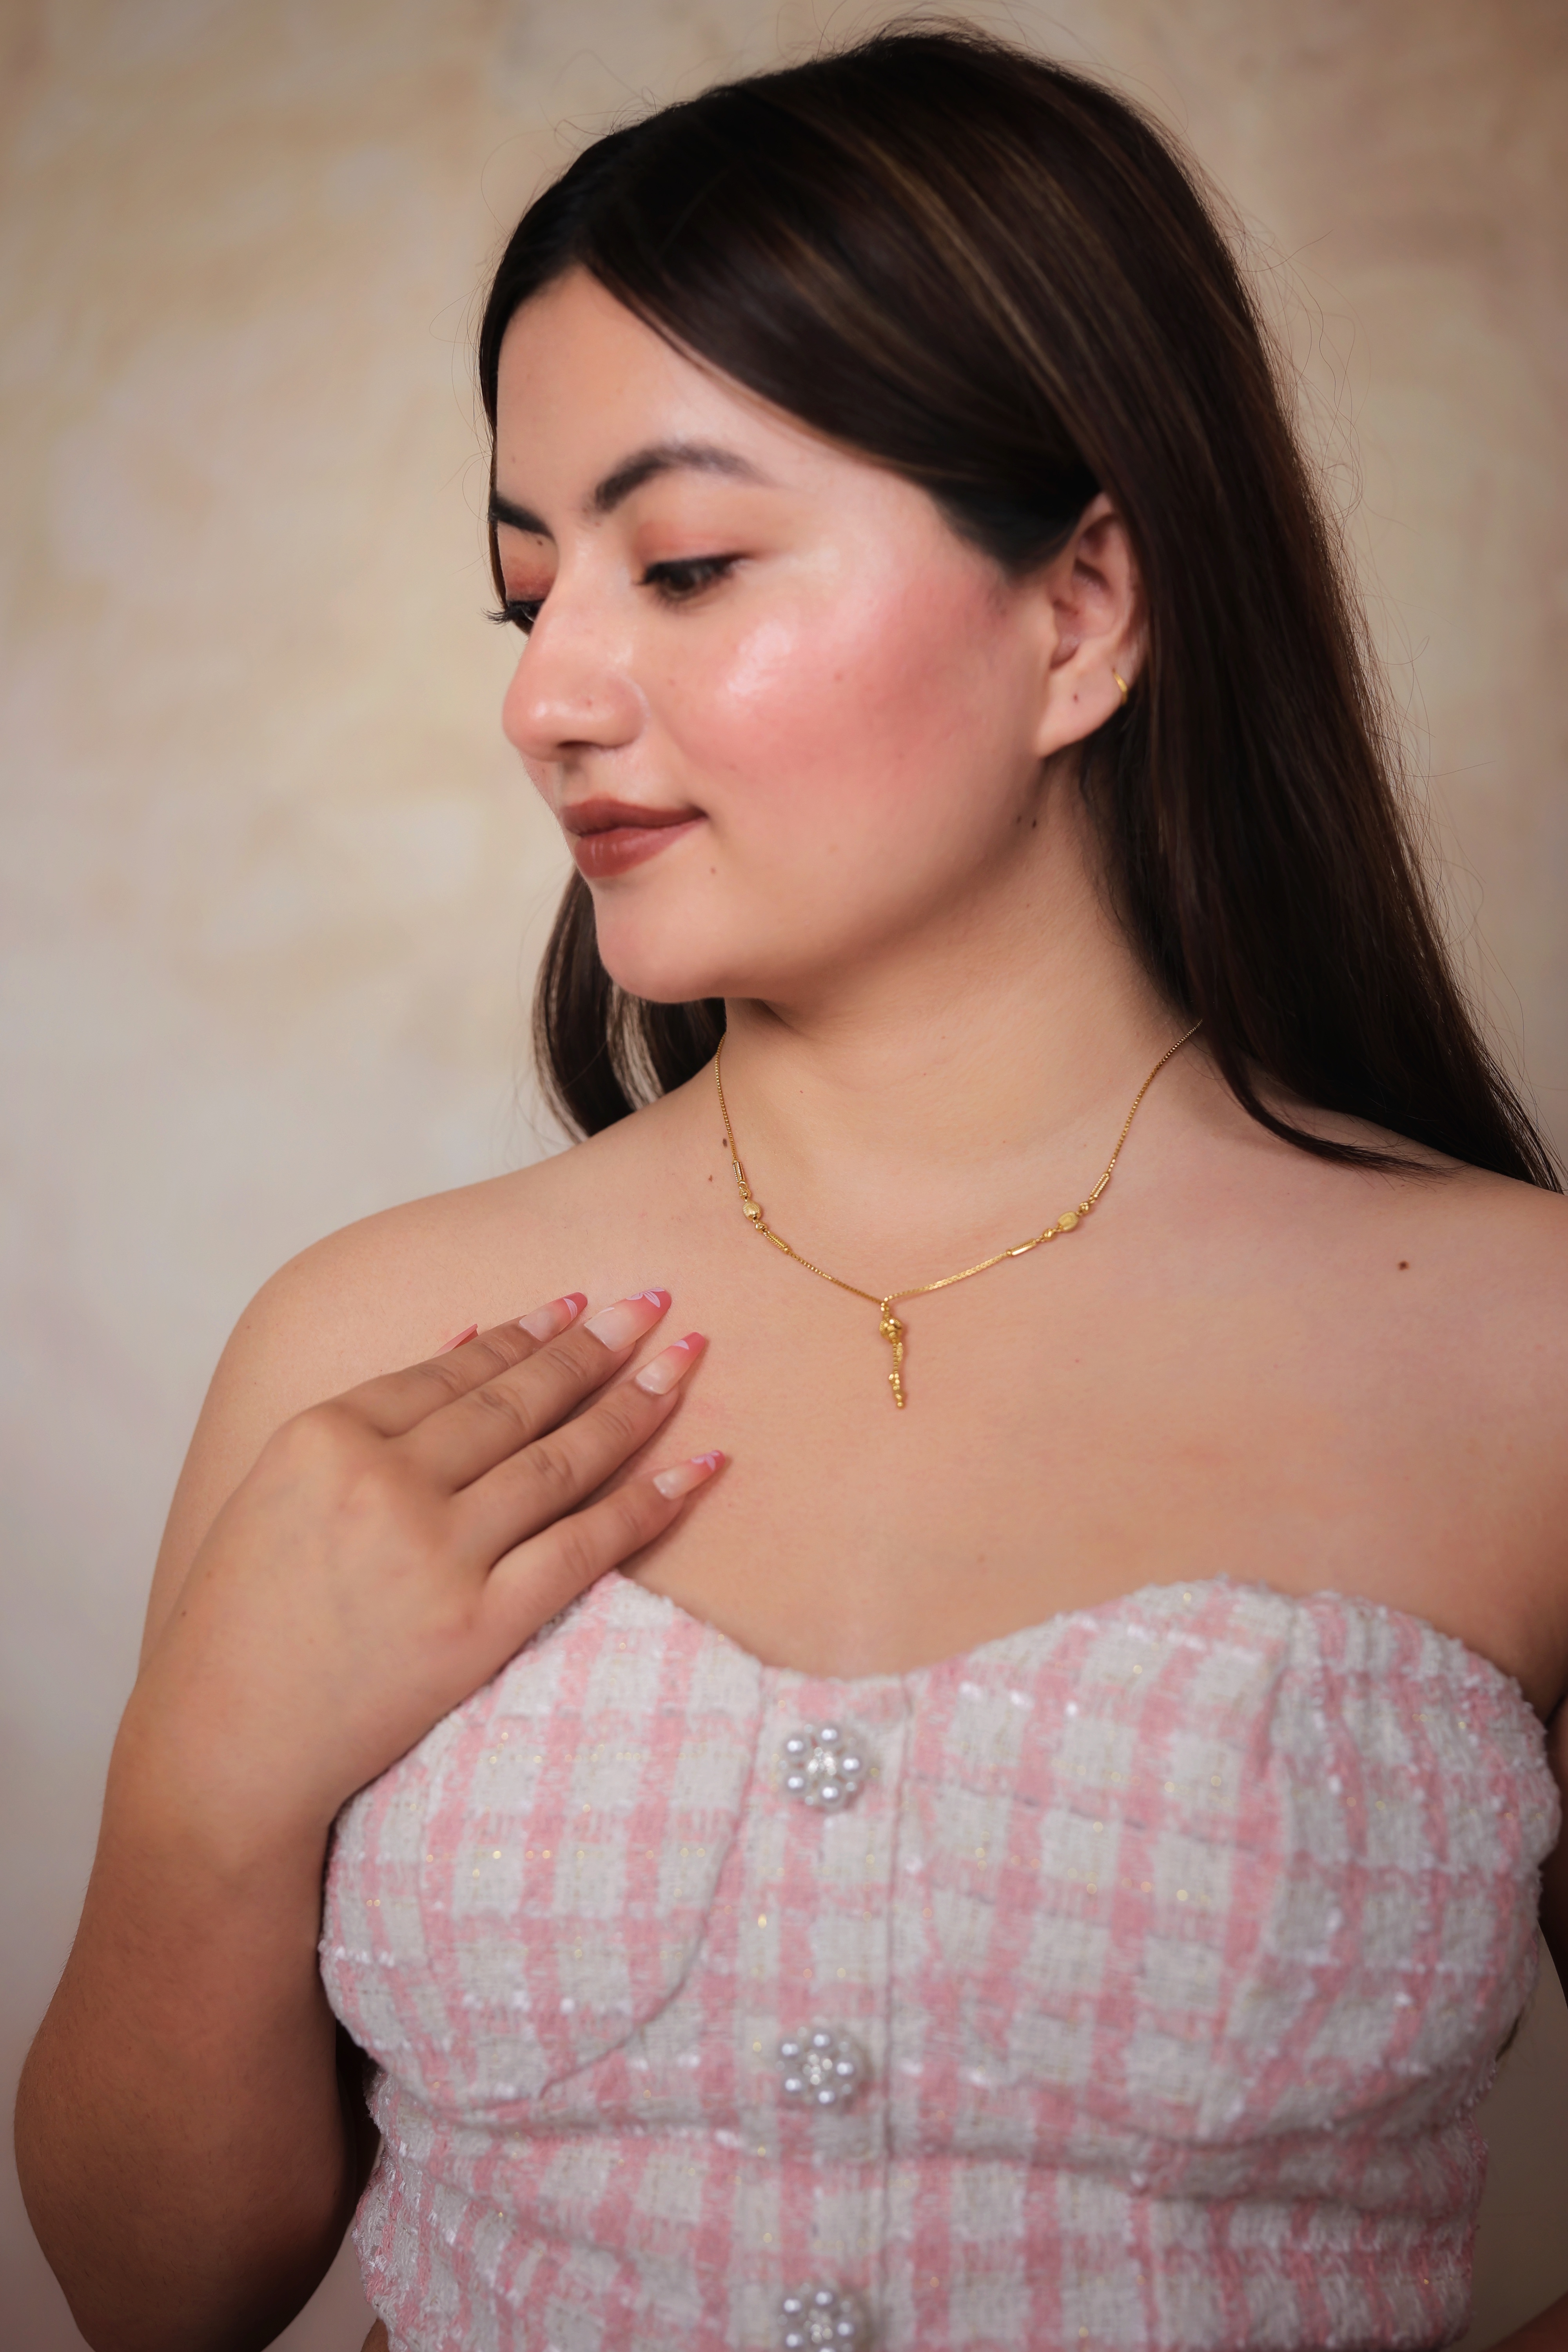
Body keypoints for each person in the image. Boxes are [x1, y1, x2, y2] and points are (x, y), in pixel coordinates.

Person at [16, 24, 1568, 2352]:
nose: (548, 697)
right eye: (527, 595)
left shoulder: (1525, 1359)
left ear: (1081, 609)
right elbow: (157, 2297)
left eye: (687, 564)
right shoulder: (360, 1346)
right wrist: (204, 1786)